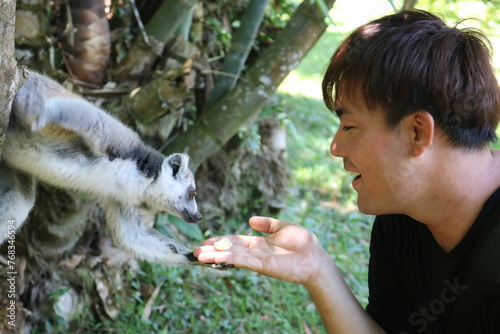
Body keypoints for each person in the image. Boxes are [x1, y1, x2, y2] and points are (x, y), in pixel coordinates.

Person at [194, 9, 500, 333]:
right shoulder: (401, 216)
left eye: (350, 126)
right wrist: (318, 270)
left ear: (417, 132)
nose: (335, 147)